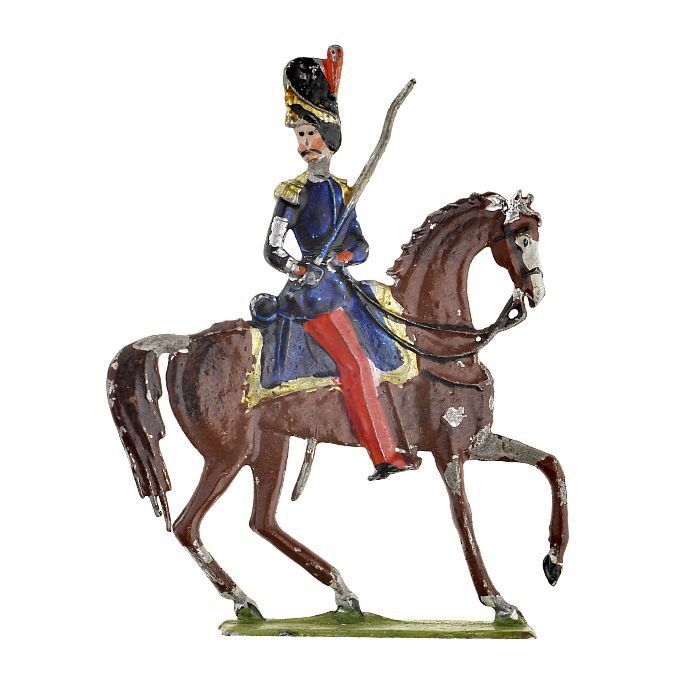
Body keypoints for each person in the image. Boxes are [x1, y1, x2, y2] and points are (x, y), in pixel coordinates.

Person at [258, 45, 418, 481]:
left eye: (310, 134)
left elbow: (362, 247)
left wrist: (340, 257)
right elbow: (272, 251)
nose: (304, 145)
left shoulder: (344, 192)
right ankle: (383, 456)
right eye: (300, 136)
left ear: (328, 138)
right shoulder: (292, 193)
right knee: (356, 366)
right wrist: (302, 269)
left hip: (341, 287)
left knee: (393, 348)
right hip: (309, 297)